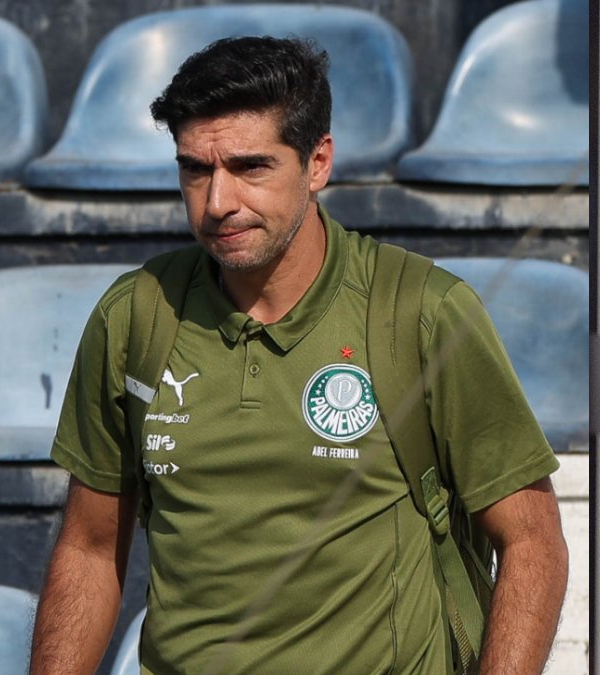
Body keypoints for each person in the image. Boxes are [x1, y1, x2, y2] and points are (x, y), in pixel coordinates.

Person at [29, 36, 567, 675]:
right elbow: (89, 550)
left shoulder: (421, 311)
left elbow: (534, 545)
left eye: (250, 166)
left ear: (318, 163)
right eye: (195, 170)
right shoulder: (136, 315)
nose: (218, 202)